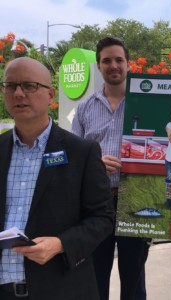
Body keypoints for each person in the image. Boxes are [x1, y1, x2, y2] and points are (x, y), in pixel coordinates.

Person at [0, 57, 114, 300]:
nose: (19, 93)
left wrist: (61, 243)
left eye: (29, 86)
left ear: (51, 95)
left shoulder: (81, 152)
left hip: (60, 288)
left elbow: (103, 217)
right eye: (10, 86)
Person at [71, 37, 148, 300]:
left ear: (128, 64)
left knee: (134, 279)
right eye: (107, 61)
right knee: (94, 278)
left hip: (135, 202)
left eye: (118, 60)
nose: (113, 65)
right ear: (98, 65)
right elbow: (73, 160)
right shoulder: (85, 109)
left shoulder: (147, 105)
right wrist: (95, 165)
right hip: (97, 204)